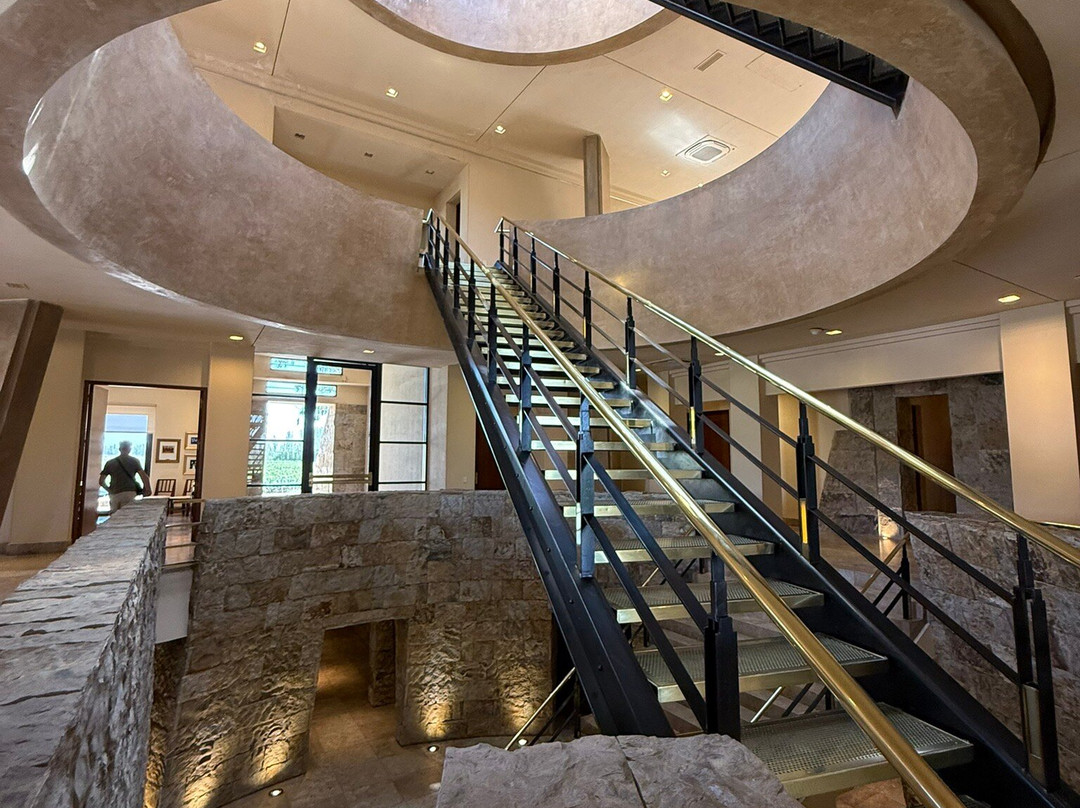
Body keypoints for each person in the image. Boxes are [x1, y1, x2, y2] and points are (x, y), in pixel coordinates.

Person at [99, 441, 152, 512]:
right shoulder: (134, 461)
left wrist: (109, 490)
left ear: (119, 449)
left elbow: (101, 481)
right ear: (129, 449)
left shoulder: (110, 463)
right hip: (130, 492)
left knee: (114, 515)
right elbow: (144, 477)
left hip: (115, 493)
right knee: (127, 514)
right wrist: (148, 489)